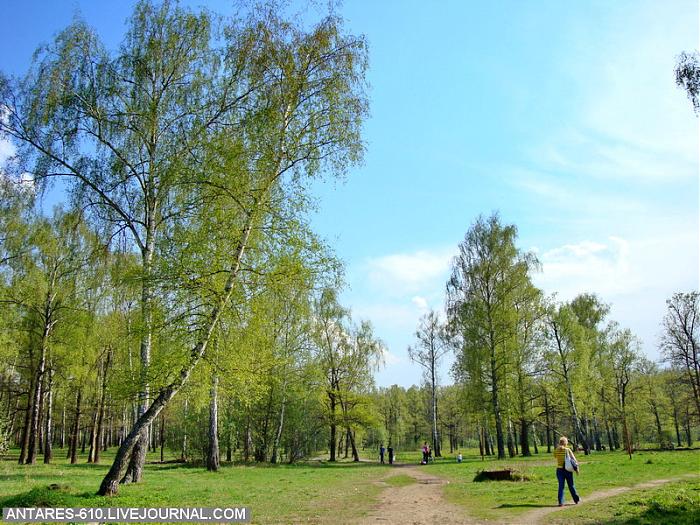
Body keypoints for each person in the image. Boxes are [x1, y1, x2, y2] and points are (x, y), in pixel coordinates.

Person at [553, 436, 580, 506]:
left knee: (561, 486)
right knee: (571, 485)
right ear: (566, 443)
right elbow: (574, 460)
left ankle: (561, 502)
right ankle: (576, 500)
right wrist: (577, 469)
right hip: (568, 470)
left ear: (559, 443)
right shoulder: (567, 450)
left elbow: (555, 456)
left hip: (559, 470)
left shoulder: (556, 450)